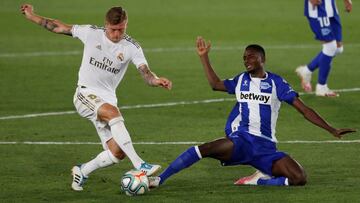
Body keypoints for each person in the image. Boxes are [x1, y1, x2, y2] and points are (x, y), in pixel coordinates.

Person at [148, 37, 356, 188]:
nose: (246, 60)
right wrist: (204, 58)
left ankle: (260, 180)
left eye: (250, 56)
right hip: (242, 140)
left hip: (266, 147)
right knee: (205, 148)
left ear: (261, 59)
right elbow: (215, 84)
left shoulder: (277, 83)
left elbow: (304, 110)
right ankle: (160, 179)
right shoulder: (241, 80)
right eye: (244, 57)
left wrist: (331, 129)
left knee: (299, 178)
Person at [20, 4, 172, 191]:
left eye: (121, 29)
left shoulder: (132, 47)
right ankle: (140, 163)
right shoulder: (91, 33)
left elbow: (145, 73)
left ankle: (83, 171)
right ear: (106, 24)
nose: (117, 34)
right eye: (113, 29)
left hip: (107, 100)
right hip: (85, 94)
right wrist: (32, 16)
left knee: (117, 152)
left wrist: (156, 80)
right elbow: (58, 26)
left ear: (126, 24)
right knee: (113, 113)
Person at [296, 0, 352, 97]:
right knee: (330, 46)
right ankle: (321, 87)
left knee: (338, 48)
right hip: (318, 10)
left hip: (332, 9)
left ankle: (306, 70)